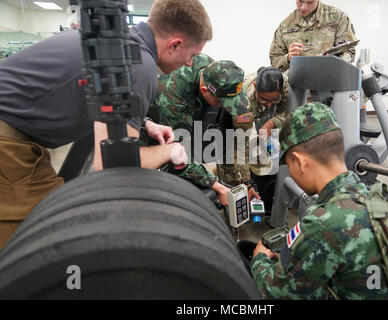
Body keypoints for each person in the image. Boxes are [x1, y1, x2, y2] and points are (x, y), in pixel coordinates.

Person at [0, 0, 213, 249]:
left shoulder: (121, 46)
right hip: (10, 144)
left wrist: (145, 123)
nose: (190, 64)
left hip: (21, 132)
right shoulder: (139, 65)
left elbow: (103, 99)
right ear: (175, 45)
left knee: (58, 209)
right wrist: (170, 151)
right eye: (193, 55)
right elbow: (112, 163)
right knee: (43, 238)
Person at [250, 102, 388, 299]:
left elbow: (276, 293)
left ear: (300, 162)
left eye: (288, 164)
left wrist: (260, 259)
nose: (289, 172)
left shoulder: (322, 225)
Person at [142, 53, 252, 207]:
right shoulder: (175, 103)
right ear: (205, 90)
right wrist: (217, 186)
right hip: (146, 124)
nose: (224, 108)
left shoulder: (209, 67)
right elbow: (178, 156)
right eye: (222, 103)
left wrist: (245, 179)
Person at [220, 67, 288, 201]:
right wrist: (247, 182)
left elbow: (289, 112)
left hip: (259, 122)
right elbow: (241, 145)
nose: (268, 105)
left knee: (263, 159)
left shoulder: (286, 87)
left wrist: (272, 122)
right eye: (264, 99)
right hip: (232, 123)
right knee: (232, 167)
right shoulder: (243, 102)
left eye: (274, 100)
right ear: (256, 87)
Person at [270, 0, 358, 72]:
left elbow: (350, 52)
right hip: (299, 87)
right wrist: (288, 58)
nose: (304, 6)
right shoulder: (285, 25)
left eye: (310, 2)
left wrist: (332, 61)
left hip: (331, 85)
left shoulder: (338, 17)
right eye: (300, 1)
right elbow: (274, 61)